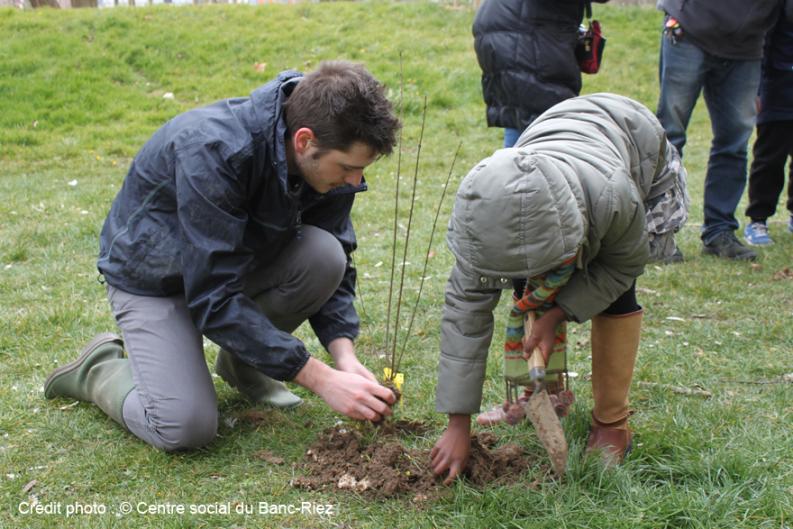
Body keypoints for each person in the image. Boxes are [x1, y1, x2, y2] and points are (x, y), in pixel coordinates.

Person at [44, 61, 401, 451]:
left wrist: (343, 356)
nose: (355, 182)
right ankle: (98, 369)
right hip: (156, 280)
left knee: (325, 255)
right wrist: (319, 378)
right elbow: (212, 296)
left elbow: (336, 253)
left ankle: (244, 363)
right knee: (185, 427)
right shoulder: (214, 150)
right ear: (303, 141)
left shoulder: (325, 160)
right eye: (348, 168)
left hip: (231, 264)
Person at [430, 93, 689, 484]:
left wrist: (557, 313)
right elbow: (465, 319)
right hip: (559, 146)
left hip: (638, 147)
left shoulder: (613, 197)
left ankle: (612, 423)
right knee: (530, 282)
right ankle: (542, 394)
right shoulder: (483, 222)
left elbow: (622, 266)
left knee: (615, 297)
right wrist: (457, 423)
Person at [655, 0, 781, 261]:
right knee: (670, 138)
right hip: (688, 31)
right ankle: (658, 233)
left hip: (746, 45)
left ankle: (719, 231)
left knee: (734, 143)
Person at [473, 0, 608, 149]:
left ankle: (512, 166)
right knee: (545, 129)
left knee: (523, 116)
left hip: (507, 27)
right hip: (527, 34)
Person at [744, 0, 793, 246]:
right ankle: (758, 219)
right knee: (770, 157)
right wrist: (758, 88)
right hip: (779, 87)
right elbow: (764, 40)